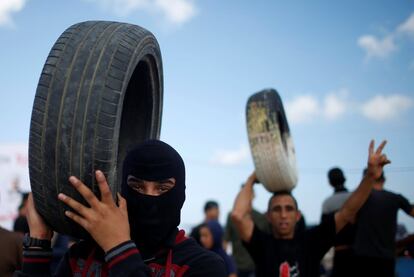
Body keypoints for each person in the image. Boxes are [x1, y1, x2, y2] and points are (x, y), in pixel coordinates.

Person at [16, 140, 226, 276]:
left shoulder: (202, 265)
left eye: (162, 188)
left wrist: (118, 248)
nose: (149, 198)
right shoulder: (82, 256)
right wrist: (38, 243)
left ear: (181, 194)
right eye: (137, 186)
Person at [231, 140, 390, 277]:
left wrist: (370, 176)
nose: (284, 215)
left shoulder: (312, 241)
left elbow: (347, 212)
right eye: (277, 210)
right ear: (268, 216)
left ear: (298, 215)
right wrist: (251, 179)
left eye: (289, 209)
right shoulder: (261, 243)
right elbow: (238, 215)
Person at [352, 168, 414, 277]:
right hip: (387, 258)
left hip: (362, 258)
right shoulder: (395, 198)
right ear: (384, 179)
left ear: (364, 181)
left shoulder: (357, 200)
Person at [224, 184, 269, 277]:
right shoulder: (232, 216)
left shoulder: (262, 218)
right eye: (243, 194)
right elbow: (225, 241)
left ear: (254, 195)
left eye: (248, 193)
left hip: (256, 266)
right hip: (236, 266)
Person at [320, 167, 355, 277]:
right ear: (344, 178)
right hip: (359, 252)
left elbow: (324, 230)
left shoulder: (327, 203)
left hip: (340, 252)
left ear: (330, 182)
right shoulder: (354, 198)